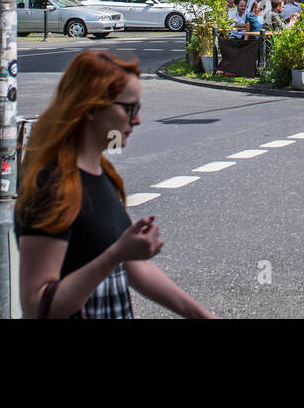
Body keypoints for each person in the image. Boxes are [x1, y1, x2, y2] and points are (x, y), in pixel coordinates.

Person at [16, 50, 214, 319]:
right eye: (129, 108)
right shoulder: (53, 186)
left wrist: (201, 316)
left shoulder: (101, 172)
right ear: (91, 107)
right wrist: (114, 255)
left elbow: (131, 266)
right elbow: (38, 305)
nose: (137, 120)